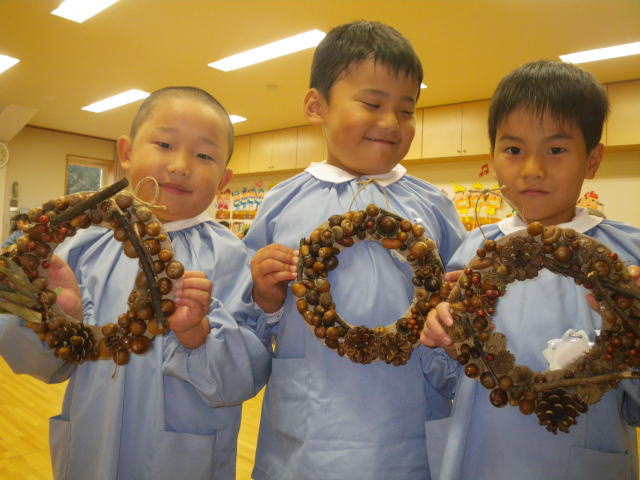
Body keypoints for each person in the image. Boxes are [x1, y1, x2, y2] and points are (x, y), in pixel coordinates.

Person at [0, 87, 271, 480]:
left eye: (204, 155)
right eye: (164, 144)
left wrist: (197, 333)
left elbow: (240, 381)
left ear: (224, 178)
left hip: (183, 461)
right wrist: (60, 315)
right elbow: (36, 362)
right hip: (91, 444)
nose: (180, 165)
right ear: (126, 153)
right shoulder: (80, 247)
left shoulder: (231, 258)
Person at [244, 21, 466, 480]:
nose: (391, 123)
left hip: (408, 426)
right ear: (316, 105)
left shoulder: (433, 206)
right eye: (372, 103)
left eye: (407, 110)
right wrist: (265, 298)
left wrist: (461, 303)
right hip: (310, 433)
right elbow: (246, 321)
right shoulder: (281, 204)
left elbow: (462, 304)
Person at [420, 60, 640, 480]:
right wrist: (442, 340)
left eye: (556, 150)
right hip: (480, 456)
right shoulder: (475, 253)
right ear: (492, 158)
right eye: (513, 150)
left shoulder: (627, 258)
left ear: (592, 160)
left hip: (583, 462)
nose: (532, 169)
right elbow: (447, 378)